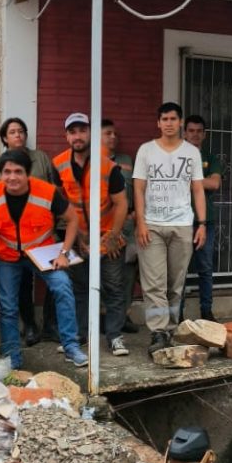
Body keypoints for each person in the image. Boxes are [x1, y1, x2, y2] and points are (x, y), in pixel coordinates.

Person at [0, 149, 87, 369]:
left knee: (63, 287)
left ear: (28, 173)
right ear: (0, 174)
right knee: (8, 307)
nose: (12, 177)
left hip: (43, 251)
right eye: (7, 172)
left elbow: (73, 219)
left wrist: (64, 253)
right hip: (7, 255)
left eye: (18, 171)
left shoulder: (47, 192)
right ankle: (12, 358)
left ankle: (71, 347)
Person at [133, 102, 207, 357]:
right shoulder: (146, 150)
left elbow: (198, 190)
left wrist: (201, 224)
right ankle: (158, 332)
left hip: (182, 225)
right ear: (158, 123)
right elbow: (139, 189)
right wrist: (141, 223)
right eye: (164, 119)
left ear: (180, 122)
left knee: (175, 285)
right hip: (152, 226)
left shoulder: (192, 152)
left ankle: (171, 329)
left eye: (173, 119)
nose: (168, 123)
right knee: (154, 284)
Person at [54, 113, 130, 356]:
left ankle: (115, 336)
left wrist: (112, 237)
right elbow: (62, 205)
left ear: (90, 134)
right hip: (78, 238)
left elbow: (121, 203)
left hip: (108, 236)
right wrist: (77, 239)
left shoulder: (107, 166)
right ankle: (80, 334)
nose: (77, 136)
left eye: (82, 130)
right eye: (72, 131)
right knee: (79, 288)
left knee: (114, 288)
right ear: (66, 136)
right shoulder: (59, 164)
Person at [0, 117, 55, 348]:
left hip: (43, 234)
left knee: (54, 277)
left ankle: (51, 325)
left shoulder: (40, 158)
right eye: (13, 132)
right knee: (23, 282)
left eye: (21, 131)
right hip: (13, 237)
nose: (18, 135)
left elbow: (55, 189)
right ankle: (30, 325)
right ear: (5, 138)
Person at [182, 114, 222, 321]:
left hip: (205, 222)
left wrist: (189, 181)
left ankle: (206, 312)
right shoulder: (176, 156)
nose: (195, 134)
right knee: (179, 270)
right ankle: (177, 315)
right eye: (191, 131)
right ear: (185, 133)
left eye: (199, 131)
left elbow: (214, 183)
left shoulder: (210, 158)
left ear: (204, 134)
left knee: (205, 268)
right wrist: (200, 181)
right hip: (180, 221)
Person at [102, 118, 141, 334]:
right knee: (104, 274)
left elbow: (136, 188)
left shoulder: (126, 160)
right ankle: (102, 316)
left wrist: (135, 214)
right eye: (108, 133)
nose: (113, 137)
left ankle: (123, 316)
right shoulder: (92, 161)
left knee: (127, 273)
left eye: (115, 134)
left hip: (126, 224)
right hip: (103, 226)